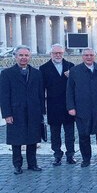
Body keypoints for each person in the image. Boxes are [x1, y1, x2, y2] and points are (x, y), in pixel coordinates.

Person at [66, 47, 97, 167]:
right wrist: (71, 107)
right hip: (82, 108)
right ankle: (86, 159)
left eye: (91, 55)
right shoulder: (75, 71)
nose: (89, 57)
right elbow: (69, 91)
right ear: (82, 57)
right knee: (83, 135)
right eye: (86, 55)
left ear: (94, 56)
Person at [0, 45, 44, 175]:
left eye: (26, 55)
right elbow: (4, 95)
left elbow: (40, 93)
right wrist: (7, 114)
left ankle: (32, 164)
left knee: (33, 138)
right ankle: (17, 165)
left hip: (33, 111)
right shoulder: (6, 73)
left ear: (29, 57)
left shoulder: (37, 73)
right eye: (21, 55)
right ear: (15, 57)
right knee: (16, 140)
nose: (23, 58)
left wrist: (42, 111)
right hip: (15, 111)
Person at [39, 44, 76, 166]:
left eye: (60, 53)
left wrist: (72, 77)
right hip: (53, 105)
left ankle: (70, 155)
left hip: (68, 105)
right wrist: (42, 108)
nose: (58, 55)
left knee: (69, 132)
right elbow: (41, 89)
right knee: (55, 133)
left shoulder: (71, 66)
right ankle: (57, 155)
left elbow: (76, 86)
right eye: (55, 53)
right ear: (51, 54)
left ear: (63, 53)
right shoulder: (43, 68)